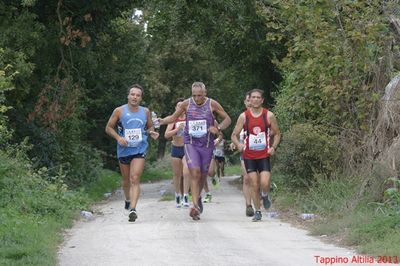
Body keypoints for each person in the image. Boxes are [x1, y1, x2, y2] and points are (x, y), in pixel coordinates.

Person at [160, 81, 231, 220]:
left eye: (200, 95)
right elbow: (173, 118)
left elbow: (227, 119)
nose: (197, 99)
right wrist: (162, 121)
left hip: (207, 144)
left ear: (205, 93)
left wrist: (218, 129)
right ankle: (195, 207)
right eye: (194, 95)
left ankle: (197, 197)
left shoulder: (212, 104)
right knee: (195, 172)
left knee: (203, 174)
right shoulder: (186, 104)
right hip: (190, 143)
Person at [105, 84, 159, 222]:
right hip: (124, 150)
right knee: (126, 180)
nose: (135, 97)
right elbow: (108, 128)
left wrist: (152, 132)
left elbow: (149, 126)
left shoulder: (145, 111)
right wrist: (118, 138)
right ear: (128, 96)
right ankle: (128, 200)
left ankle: (133, 209)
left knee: (134, 178)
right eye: (132, 94)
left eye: (138, 95)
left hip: (139, 149)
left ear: (141, 98)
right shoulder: (119, 111)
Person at [231, 88, 281, 222]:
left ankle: (265, 195)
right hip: (249, 156)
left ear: (262, 100)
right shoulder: (244, 116)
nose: (255, 99)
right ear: (250, 100)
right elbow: (234, 135)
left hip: (264, 155)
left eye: (258, 97)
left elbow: (277, 133)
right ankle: (258, 211)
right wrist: (238, 145)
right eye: (253, 97)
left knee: (264, 183)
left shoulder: (269, 115)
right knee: (254, 183)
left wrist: (273, 147)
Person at [229, 92, 254, 217]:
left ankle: (262, 196)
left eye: (253, 99)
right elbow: (236, 133)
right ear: (245, 102)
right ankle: (248, 205)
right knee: (247, 178)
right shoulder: (242, 117)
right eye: (248, 100)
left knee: (258, 179)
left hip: (260, 152)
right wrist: (236, 143)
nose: (250, 102)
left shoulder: (264, 115)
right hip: (246, 151)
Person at [164, 98, 190, 208]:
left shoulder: (189, 119)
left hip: (187, 149)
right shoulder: (173, 120)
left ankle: (186, 195)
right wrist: (177, 129)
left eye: (182, 106)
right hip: (176, 148)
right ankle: (177, 195)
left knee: (186, 172)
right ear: (176, 108)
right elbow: (166, 135)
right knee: (177, 174)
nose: (180, 108)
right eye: (178, 106)